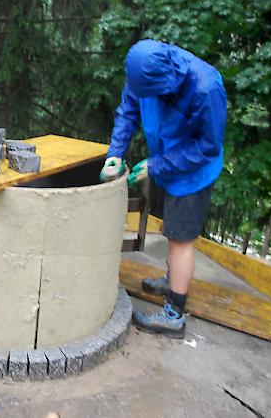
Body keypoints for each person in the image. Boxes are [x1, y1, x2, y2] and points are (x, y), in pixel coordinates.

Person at [100, 39, 226, 338]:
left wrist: (156, 166)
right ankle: (173, 279)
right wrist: (114, 153)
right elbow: (128, 111)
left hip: (192, 171)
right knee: (172, 230)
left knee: (180, 238)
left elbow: (207, 147)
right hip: (167, 160)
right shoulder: (143, 74)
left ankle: (174, 316)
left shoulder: (205, 87)